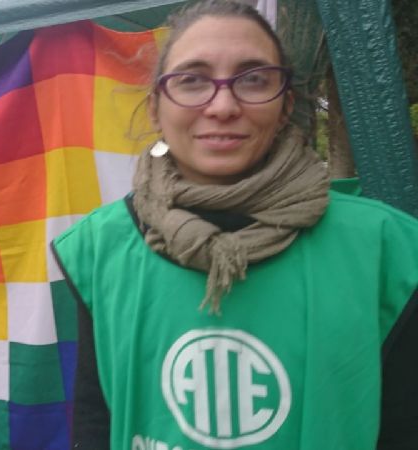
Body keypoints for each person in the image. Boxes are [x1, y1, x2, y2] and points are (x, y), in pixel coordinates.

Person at [51, 1, 418, 449]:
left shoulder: (385, 251)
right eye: (191, 80)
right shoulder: (100, 248)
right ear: (155, 108)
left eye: (254, 79)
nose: (223, 105)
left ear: (285, 105)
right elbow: (95, 422)